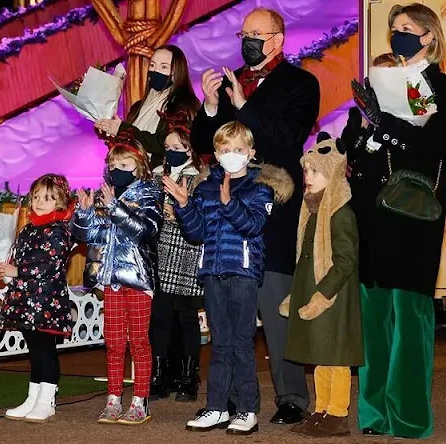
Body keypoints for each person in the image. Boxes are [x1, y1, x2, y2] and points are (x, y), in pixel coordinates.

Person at [191, 7, 320, 424]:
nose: (246, 41)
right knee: (229, 310)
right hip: (228, 213)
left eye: (255, 34)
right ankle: (225, 398)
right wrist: (212, 106)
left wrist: (244, 106)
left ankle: (291, 397)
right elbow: (204, 144)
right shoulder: (232, 84)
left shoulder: (301, 83)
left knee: (276, 303)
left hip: (273, 207)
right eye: (243, 34)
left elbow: (286, 138)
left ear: (277, 40)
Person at [349, 3, 446, 438]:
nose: (397, 35)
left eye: (406, 29)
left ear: (428, 37)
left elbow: (432, 145)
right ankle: (374, 413)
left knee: (410, 315)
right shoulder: (380, 82)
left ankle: (410, 415)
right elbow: (357, 147)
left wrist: (386, 122)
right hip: (373, 211)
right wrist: (365, 129)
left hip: (415, 213)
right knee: (374, 315)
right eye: (393, 29)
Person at [164, 121, 294, 435]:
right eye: (224, 150)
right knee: (219, 344)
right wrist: (183, 205)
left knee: (240, 344)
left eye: (237, 150)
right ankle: (217, 407)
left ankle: (247, 409)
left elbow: (253, 225)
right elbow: (196, 233)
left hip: (243, 274)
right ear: (216, 153)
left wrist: (230, 204)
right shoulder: (207, 186)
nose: (231, 155)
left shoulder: (260, 187)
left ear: (250, 153)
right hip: (212, 272)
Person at [71, 137, 163, 425]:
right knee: (112, 342)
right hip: (110, 278)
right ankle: (113, 398)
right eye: (113, 164)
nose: (117, 169)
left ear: (140, 166)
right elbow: (87, 236)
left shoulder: (150, 193)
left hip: (136, 277)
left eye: (124, 164)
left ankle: (140, 401)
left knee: (138, 341)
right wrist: (85, 213)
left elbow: (145, 231)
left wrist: (114, 208)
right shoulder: (106, 194)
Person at [280, 133, 363, 438]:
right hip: (314, 295)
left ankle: (337, 414)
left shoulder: (341, 214)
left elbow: (345, 261)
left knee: (335, 358)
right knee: (319, 357)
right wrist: (298, 295)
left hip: (333, 299)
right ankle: (321, 409)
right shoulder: (314, 211)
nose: (307, 177)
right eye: (306, 171)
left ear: (333, 174)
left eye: (315, 171)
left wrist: (323, 294)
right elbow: (306, 258)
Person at [0, 174, 75, 423]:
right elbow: (23, 259)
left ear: (61, 202)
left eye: (48, 198)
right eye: (37, 197)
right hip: (27, 299)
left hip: (47, 301)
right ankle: (33, 396)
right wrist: (7, 268)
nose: (40, 202)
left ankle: (47, 399)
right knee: (35, 349)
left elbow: (49, 265)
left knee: (46, 349)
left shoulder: (59, 230)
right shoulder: (29, 228)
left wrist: (17, 271)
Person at [150, 111, 206, 402]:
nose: (171, 152)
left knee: (187, 318)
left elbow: (202, 217)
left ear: (190, 149)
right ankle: (159, 375)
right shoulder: (157, 176)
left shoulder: (198, 178)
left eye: (177, 147)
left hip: (186, 252)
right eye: (167, 147)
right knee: (159, 318)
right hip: (160, 252)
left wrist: (179, 213)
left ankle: (188, 376)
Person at [95, 45, 200, 167]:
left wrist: (123, 129)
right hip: (136, 175)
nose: (156, 71)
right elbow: (130, 147)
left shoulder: (184, 104)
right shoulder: (138, 106)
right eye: (152, 65)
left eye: (164, 67)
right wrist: (109, 130)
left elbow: (164, 144)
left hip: (163, 176)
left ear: (177, 72)